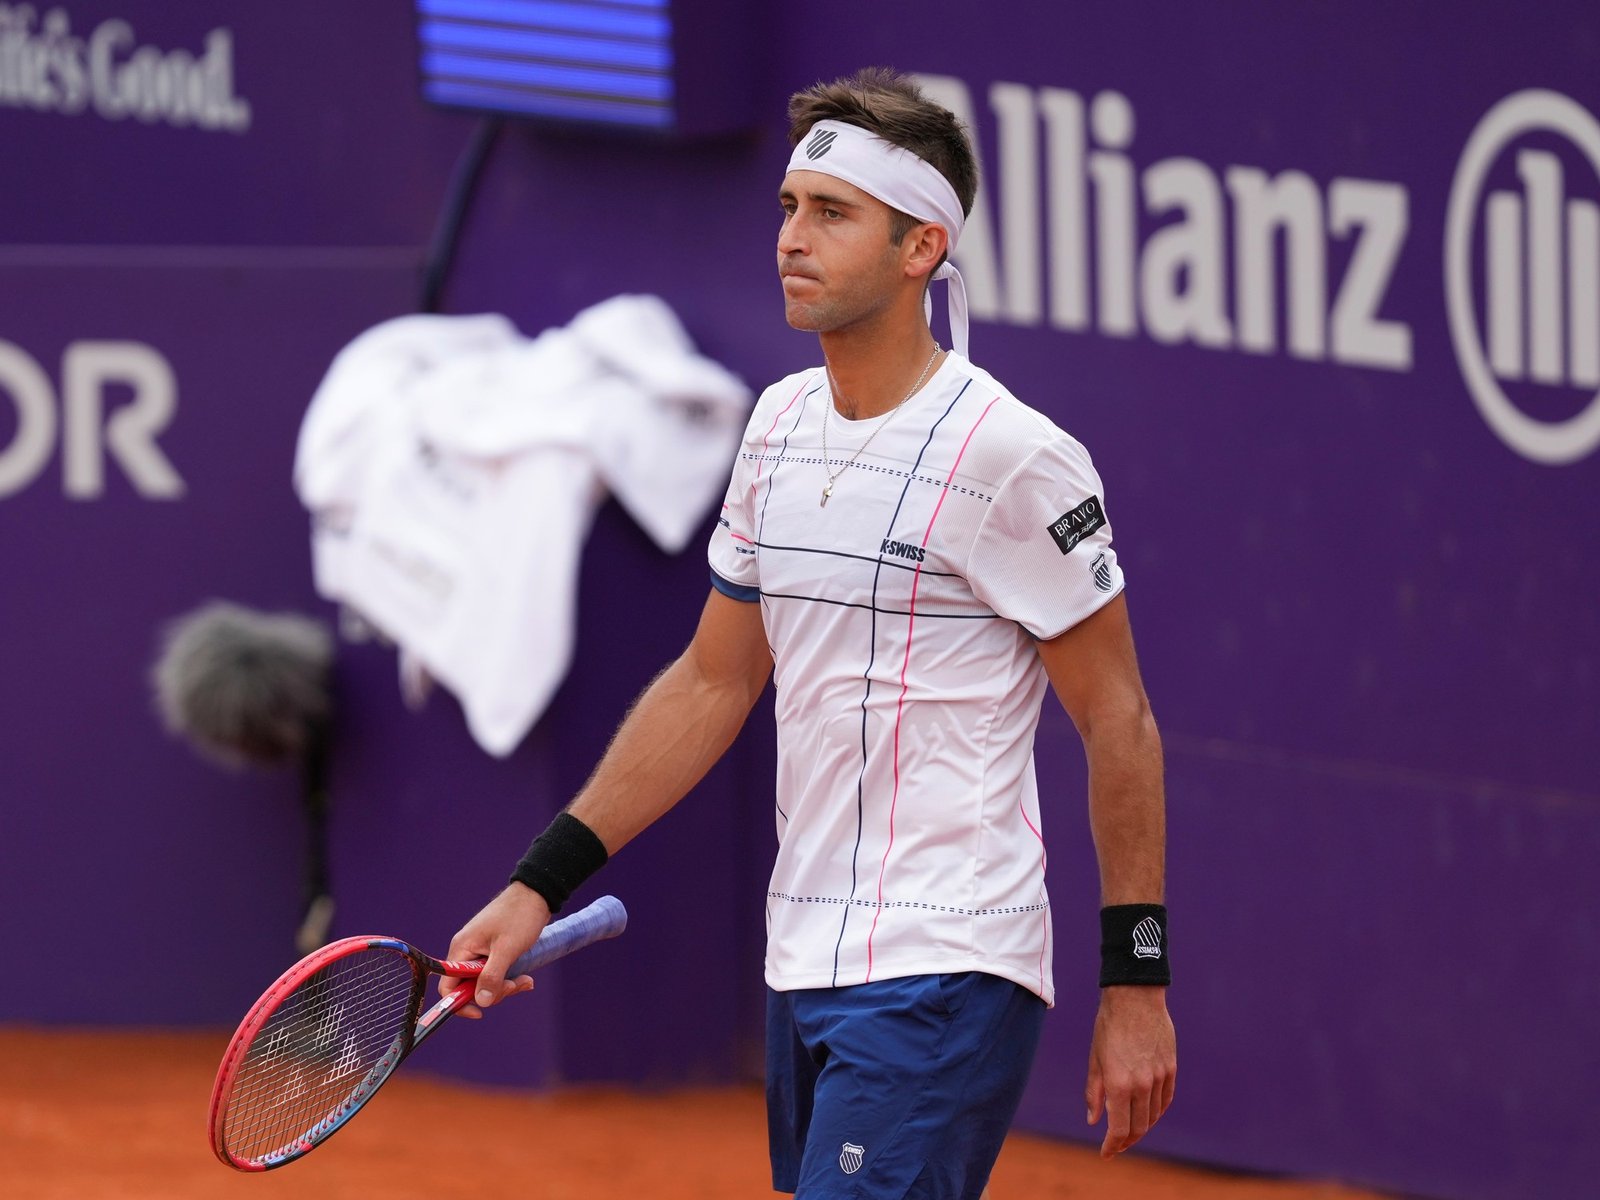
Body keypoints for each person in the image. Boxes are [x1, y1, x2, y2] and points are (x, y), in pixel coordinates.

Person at [441, 66, 1177, 1199]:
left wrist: (1135, 984)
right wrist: (539, 882)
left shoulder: (1012, 456)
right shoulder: (778, 426)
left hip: (947, 960)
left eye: (832, 213)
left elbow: (1116, 718)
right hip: (805, 957)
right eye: (788, 207)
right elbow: (710, 682)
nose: (793, 236)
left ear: (920, 247)